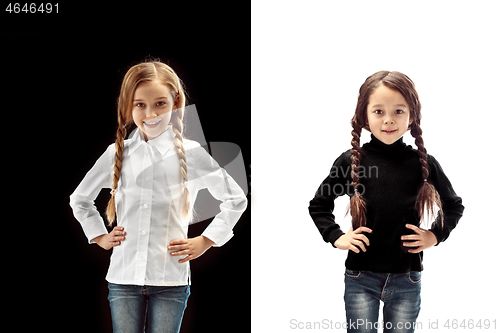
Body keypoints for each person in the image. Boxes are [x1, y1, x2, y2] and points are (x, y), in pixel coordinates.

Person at [70, 60, 247, 333]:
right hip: (123, 277)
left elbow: (237, 199)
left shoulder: (192, 153)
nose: (150, 113)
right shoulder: (116, 153)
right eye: (140, 104)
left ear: (175, 103)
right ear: (128, 105)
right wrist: (99, 236)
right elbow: (80, 199)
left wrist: (206, 241)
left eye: (160, 104)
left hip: (171, 280)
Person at [308, 71, 464, 333]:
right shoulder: (350, 162)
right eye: (379, 111)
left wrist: (434, 235)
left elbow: (453, 206)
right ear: (364, 117)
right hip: (360, 277)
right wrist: (336, 236)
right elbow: (319, 204)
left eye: (399, 111)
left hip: (407, 278)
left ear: (412, 116)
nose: (389, 120)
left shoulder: (422, 164)